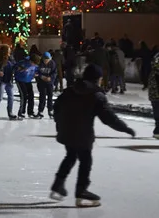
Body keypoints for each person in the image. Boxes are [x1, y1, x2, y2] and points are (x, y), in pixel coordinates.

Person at [50, 64, 135, 207]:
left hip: (66, 131)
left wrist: (61, 125)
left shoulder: (70, 90)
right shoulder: (96, 95)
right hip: (82, 134)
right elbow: (109, 118)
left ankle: (58, 184)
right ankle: (81, 190)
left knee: (70, 156)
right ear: (97, 79)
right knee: (85, 160)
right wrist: (126, 129)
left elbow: (56, 107)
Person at [0, 45, 18, 120]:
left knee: (11, 97)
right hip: (1, 81)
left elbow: (15, 66)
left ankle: (10, 112)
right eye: (8, 50)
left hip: (9, 80)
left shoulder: (11, 58)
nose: (9, 51)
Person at [14, 54, 39, 119]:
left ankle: (30, 112)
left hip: (28, 80)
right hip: (20, 80)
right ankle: (21, 112)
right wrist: (19, 69)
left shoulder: (35, 65)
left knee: (31, 95)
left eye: (35, 64)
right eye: (33, 63)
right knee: (24, 95)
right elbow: (14, 67)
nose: (34, 65)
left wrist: (36, 74)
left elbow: (37, 70)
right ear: (31, 61)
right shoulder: (23, 62)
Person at [36, 52, 57, 118]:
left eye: (47, 60)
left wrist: (50, 78)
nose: (46, 61)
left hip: (49, 82)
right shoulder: (39, 63)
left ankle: (50, 110)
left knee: (50, 96)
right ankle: (40, 111)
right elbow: (36, 72)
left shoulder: (52, 63)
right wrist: (41, 76)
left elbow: (54, 72)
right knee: (42, 97)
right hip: (42, 83)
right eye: (45, 60)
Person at [149, 53, 159, 139]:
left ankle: (157, 131)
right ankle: (157, 131)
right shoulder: (156, 73)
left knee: (157, 114)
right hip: (156, 95)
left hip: (154, 95)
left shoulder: (153, 72)